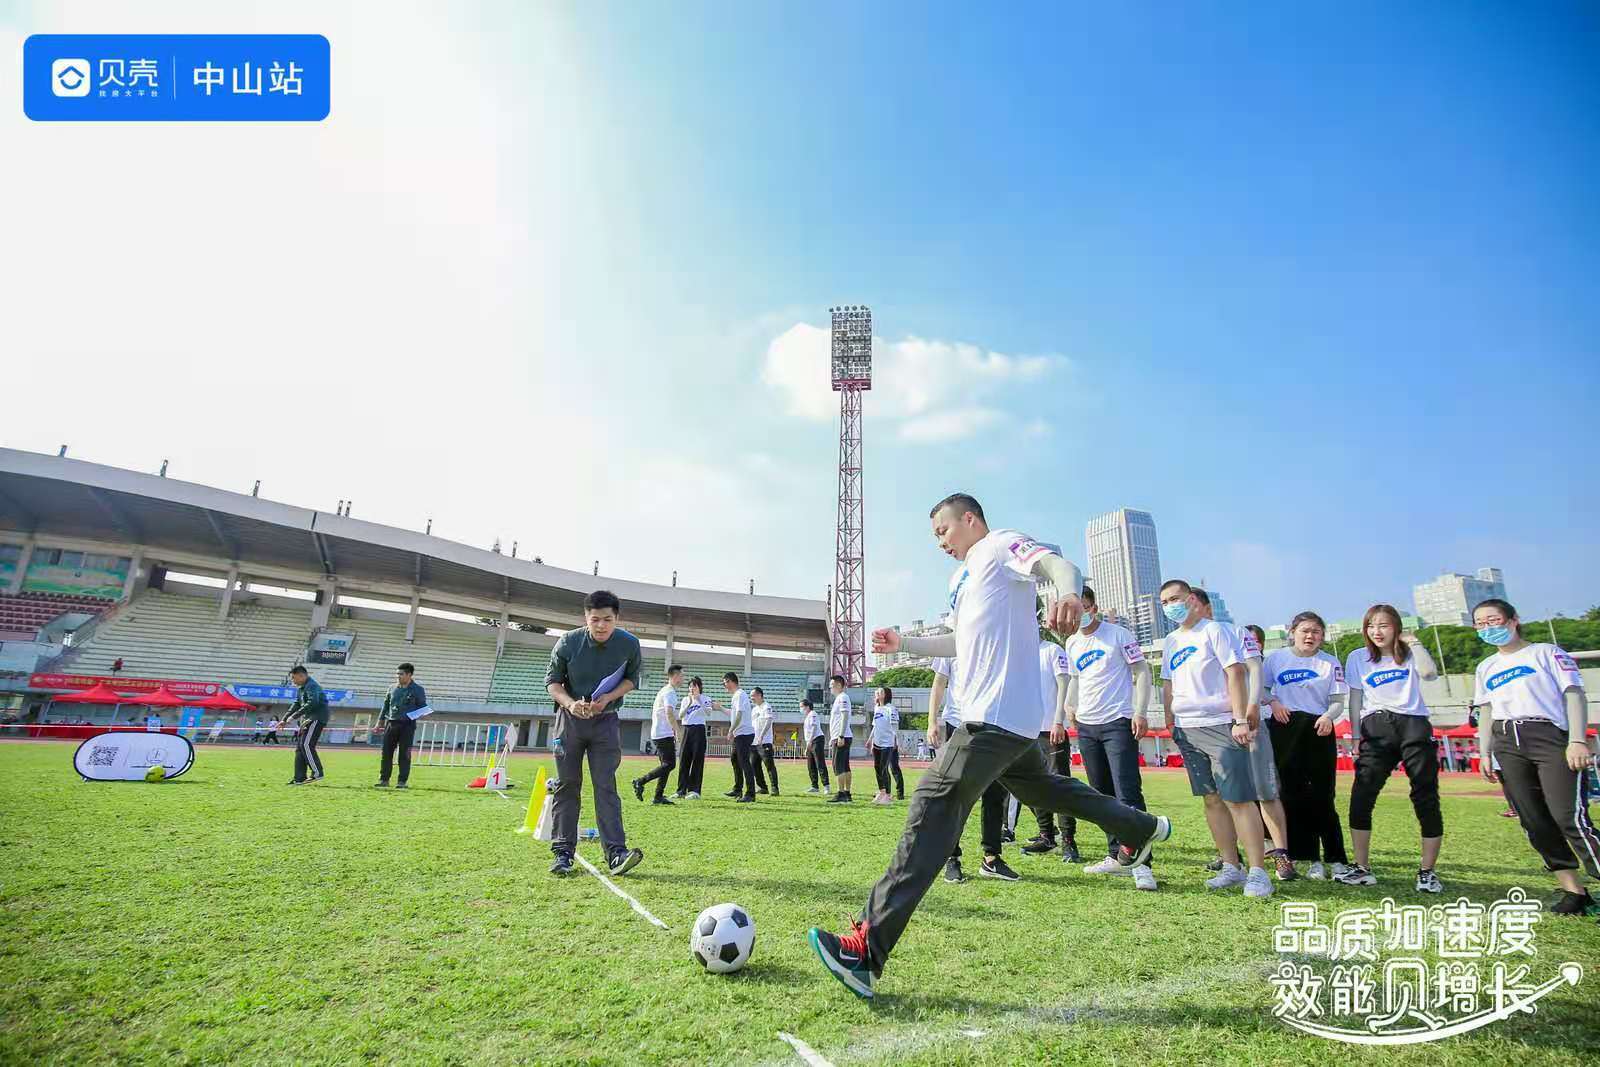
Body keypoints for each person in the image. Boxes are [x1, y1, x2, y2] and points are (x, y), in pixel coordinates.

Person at [809, 493, 1170, 998]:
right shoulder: (965, 578)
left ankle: (866, 952)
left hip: (994, 717)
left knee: (933, 803)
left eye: (943, 530)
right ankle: (1143, 826)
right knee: (1046, 791)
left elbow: (1058, 564)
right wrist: (905, 645)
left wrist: (1067, 592)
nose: (940, 542)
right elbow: (959, 642)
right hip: (1004, 718)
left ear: (971, 520)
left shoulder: (1000, 546)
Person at [1472, 598, 1598, 915]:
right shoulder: (1485, 666)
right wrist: (1484, 751)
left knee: (1569, 817)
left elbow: (1574, 694)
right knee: (1533, 820)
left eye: (1494, 620)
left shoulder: (1546, 653)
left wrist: (1577, 740)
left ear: (1513, 620)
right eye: (1480, 623)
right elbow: (1485, 711)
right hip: (1505, 741)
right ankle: (1574, 892)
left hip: (1548, 736)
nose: (1489, 628)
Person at [1159, 579, 1273, 899]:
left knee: (1238, 799)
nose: (1171, 606)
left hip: (1221, 724)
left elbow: (1236, 673)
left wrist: (1239, 718)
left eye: (1176, 598)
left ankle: (1258, 872)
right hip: (1187, 727)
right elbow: (1168, 682)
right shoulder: (1171, 640)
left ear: (1192, 599)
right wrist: (1170, 719)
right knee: (1211, 799)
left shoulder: (1215, 630)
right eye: (1165, 602)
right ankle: (1230, 866)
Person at [1340, 604, 1444, 892]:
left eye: (1384, 625)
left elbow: (1430, 673)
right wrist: (1356, 735)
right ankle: (1361, 867)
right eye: (1371, 625)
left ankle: (1427, 871)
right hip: (1376, 727)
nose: (1377, 631)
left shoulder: (1410, 653)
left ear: (1397, 627)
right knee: (1361, 796)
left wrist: (1413, 641)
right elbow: (1356, 700)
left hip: (1413, 725)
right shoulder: (1358, 657)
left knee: (1425, 796)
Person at [1062, 586, 1157, 890]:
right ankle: (1117, 854)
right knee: (1101, 796)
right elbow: (1075, 679)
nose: (1081, 615)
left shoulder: (1118, 635)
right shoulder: (1073, 642)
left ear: (1094, 606)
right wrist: (1069, 705)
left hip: (1118, 721)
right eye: (1076, 610)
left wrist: (1139, 711)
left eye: (1085, 607)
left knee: (1127, 793)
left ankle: (1142, 864)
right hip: (1087, 726)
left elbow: (1142, 672)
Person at [544, 590, 645, 877]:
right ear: (585, 618)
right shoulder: (568, 642)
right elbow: (552, 682)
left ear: (617, 618)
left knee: (605, 786)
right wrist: (570, 703)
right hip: (570, 722)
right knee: (567, 784)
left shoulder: (629, 644)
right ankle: (562, 852)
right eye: (595, 619)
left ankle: (616, 853)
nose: (601, 626)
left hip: (606, 722)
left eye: (608, 620)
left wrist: (609, 697)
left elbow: (631, 680)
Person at [1192, 593, 1292, 880]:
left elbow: (1254, 668)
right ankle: (1231, 859)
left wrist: (1252, 705)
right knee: (1226, 795)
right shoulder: (1186, 640)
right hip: (1215, 726)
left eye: (1192, 605)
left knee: (1264, 790)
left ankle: (1280, 854)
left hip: (1246, 723)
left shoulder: (1236, 632)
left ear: (1207, 608)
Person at [1262, 613, 1350, 881]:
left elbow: (1337, 700)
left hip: (1318, 728)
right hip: (1284, 728)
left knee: (1323, 796)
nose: (1311, 636)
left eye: (1317, 632)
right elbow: (1262, 690)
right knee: (1291, 795)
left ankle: (1336, 858)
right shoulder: (1276, 659)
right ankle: (1308, 857)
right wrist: (1274, 703)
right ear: (1292, 632)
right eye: (1305, 631)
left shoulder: (1329, 662)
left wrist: (1328, 717)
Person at [929, 655, 1014, 882]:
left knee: (995, 792)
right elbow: (939, 682)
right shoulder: (951, 641)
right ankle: (951, 858)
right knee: (954, 793)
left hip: (993, 721)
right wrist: (932, 721)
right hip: (958, 723)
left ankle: (992, 858)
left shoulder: (995, 633)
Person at [1019, 635, 1080, 862]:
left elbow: (1064, 685)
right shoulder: (1018, 652)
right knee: (1033, 785)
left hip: (1051, 729)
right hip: (1025, 731)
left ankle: (1068, 841)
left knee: (1060, 785)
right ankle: (1046, 835)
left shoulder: (1053, 651)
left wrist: (1058, 721)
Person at [633, 664, 682, 805]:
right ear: (675, 676)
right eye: (681, 676)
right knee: (669, 764)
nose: (683, 679)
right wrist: (677, 731)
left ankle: (658, 796)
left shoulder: (665, 691)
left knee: (665, 765)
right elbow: (669, 713)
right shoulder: (669, 692)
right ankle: (640, 781)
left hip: (660, 732)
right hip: (663, 733)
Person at [375, 663, 428, 790]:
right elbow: (386, 705)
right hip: (391, 723)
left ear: (409, 675)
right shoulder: (392, 688)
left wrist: (410, 716)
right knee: (386, 753)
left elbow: (424, 708)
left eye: (401, 674)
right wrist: (380, 722)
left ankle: (402, 781)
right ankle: (384, 779)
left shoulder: (418, 689)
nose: (398, 676)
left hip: (407, 726)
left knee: (404, 754)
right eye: (397, 674)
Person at [713, 672, 760, 802]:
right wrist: (721, 708)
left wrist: (731, 730)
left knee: (744, 762)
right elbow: (733, 713)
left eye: (724, 683)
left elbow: (738, 715)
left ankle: (750, 794)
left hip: (744, 734)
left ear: (730, 681)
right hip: (741, 733)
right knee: (735, 759)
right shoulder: (736, 696)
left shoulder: (739, 695)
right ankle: (737, 789)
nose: (724, 686)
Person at [284, 665, 328, 785]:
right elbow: (297, 704)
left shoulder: (312, 686)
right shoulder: (302, 688)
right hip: (307, 720)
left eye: (294, 678)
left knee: (306, 745)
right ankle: (299, 778)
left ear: (301, 675)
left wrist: (294, 716)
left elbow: (313, 702)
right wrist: (284, 719)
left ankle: (317, 773)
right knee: (300, 748)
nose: (293, 681)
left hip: (316, 718)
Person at [673, 677, 710, 800]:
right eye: (690, 686)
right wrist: (689, 702)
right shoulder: (685, 699)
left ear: (699, 687)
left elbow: (708, 713)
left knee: (697, 760)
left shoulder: (706, 699)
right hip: (687, 730)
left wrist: (698, 700)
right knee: (684, 760)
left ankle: (695, 791)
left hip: (699, 730)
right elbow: (681, 715)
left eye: (694, 686)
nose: (692, 688)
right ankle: (681, 790)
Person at [869, 686, 904, 804]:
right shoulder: (876, 708)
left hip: (887, 743)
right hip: (877, 743)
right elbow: (875, 726)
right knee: (877, 768)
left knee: (884, 768)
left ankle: (888, 795)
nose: (877, 693)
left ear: (886, 695)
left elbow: (895, 727)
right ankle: (882, 792)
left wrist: (896, 742)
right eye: (877, 691)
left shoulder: (891, 708)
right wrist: (870, 740)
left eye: (880, 691)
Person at [826, 675, 856, 804]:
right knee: (844, 766)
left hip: (842, 736)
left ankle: (841, 793)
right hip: (840, 736)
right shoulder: (840, 698)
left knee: (838, 766)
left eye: (832, 685)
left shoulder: (843, 697)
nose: (830, 688)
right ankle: (847, 793)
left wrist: (841, 736)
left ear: (838, 685)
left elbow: (844, 717)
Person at [751, 687, 780, 796]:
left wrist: (761, 736)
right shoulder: (754, 709)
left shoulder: (766, 707)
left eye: (753, 696)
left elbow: (768, 721)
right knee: (754, 765)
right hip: (754, 743)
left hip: (764, 742)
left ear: (759, 695)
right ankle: (762, 787)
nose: (751, 698)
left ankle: (774, 788)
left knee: (769, 765)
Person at [802, 699, 830, 794]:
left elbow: (814, 727)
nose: (801, 709)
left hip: (817, 740)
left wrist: (809, 742)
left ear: (807, 706)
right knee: (811, 764)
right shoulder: (807, 717)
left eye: (802, 707)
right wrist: (808, 744)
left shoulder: (813, 714)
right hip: (810, 741)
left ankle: (826, 785)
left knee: (819, 763)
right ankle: (814, 786)